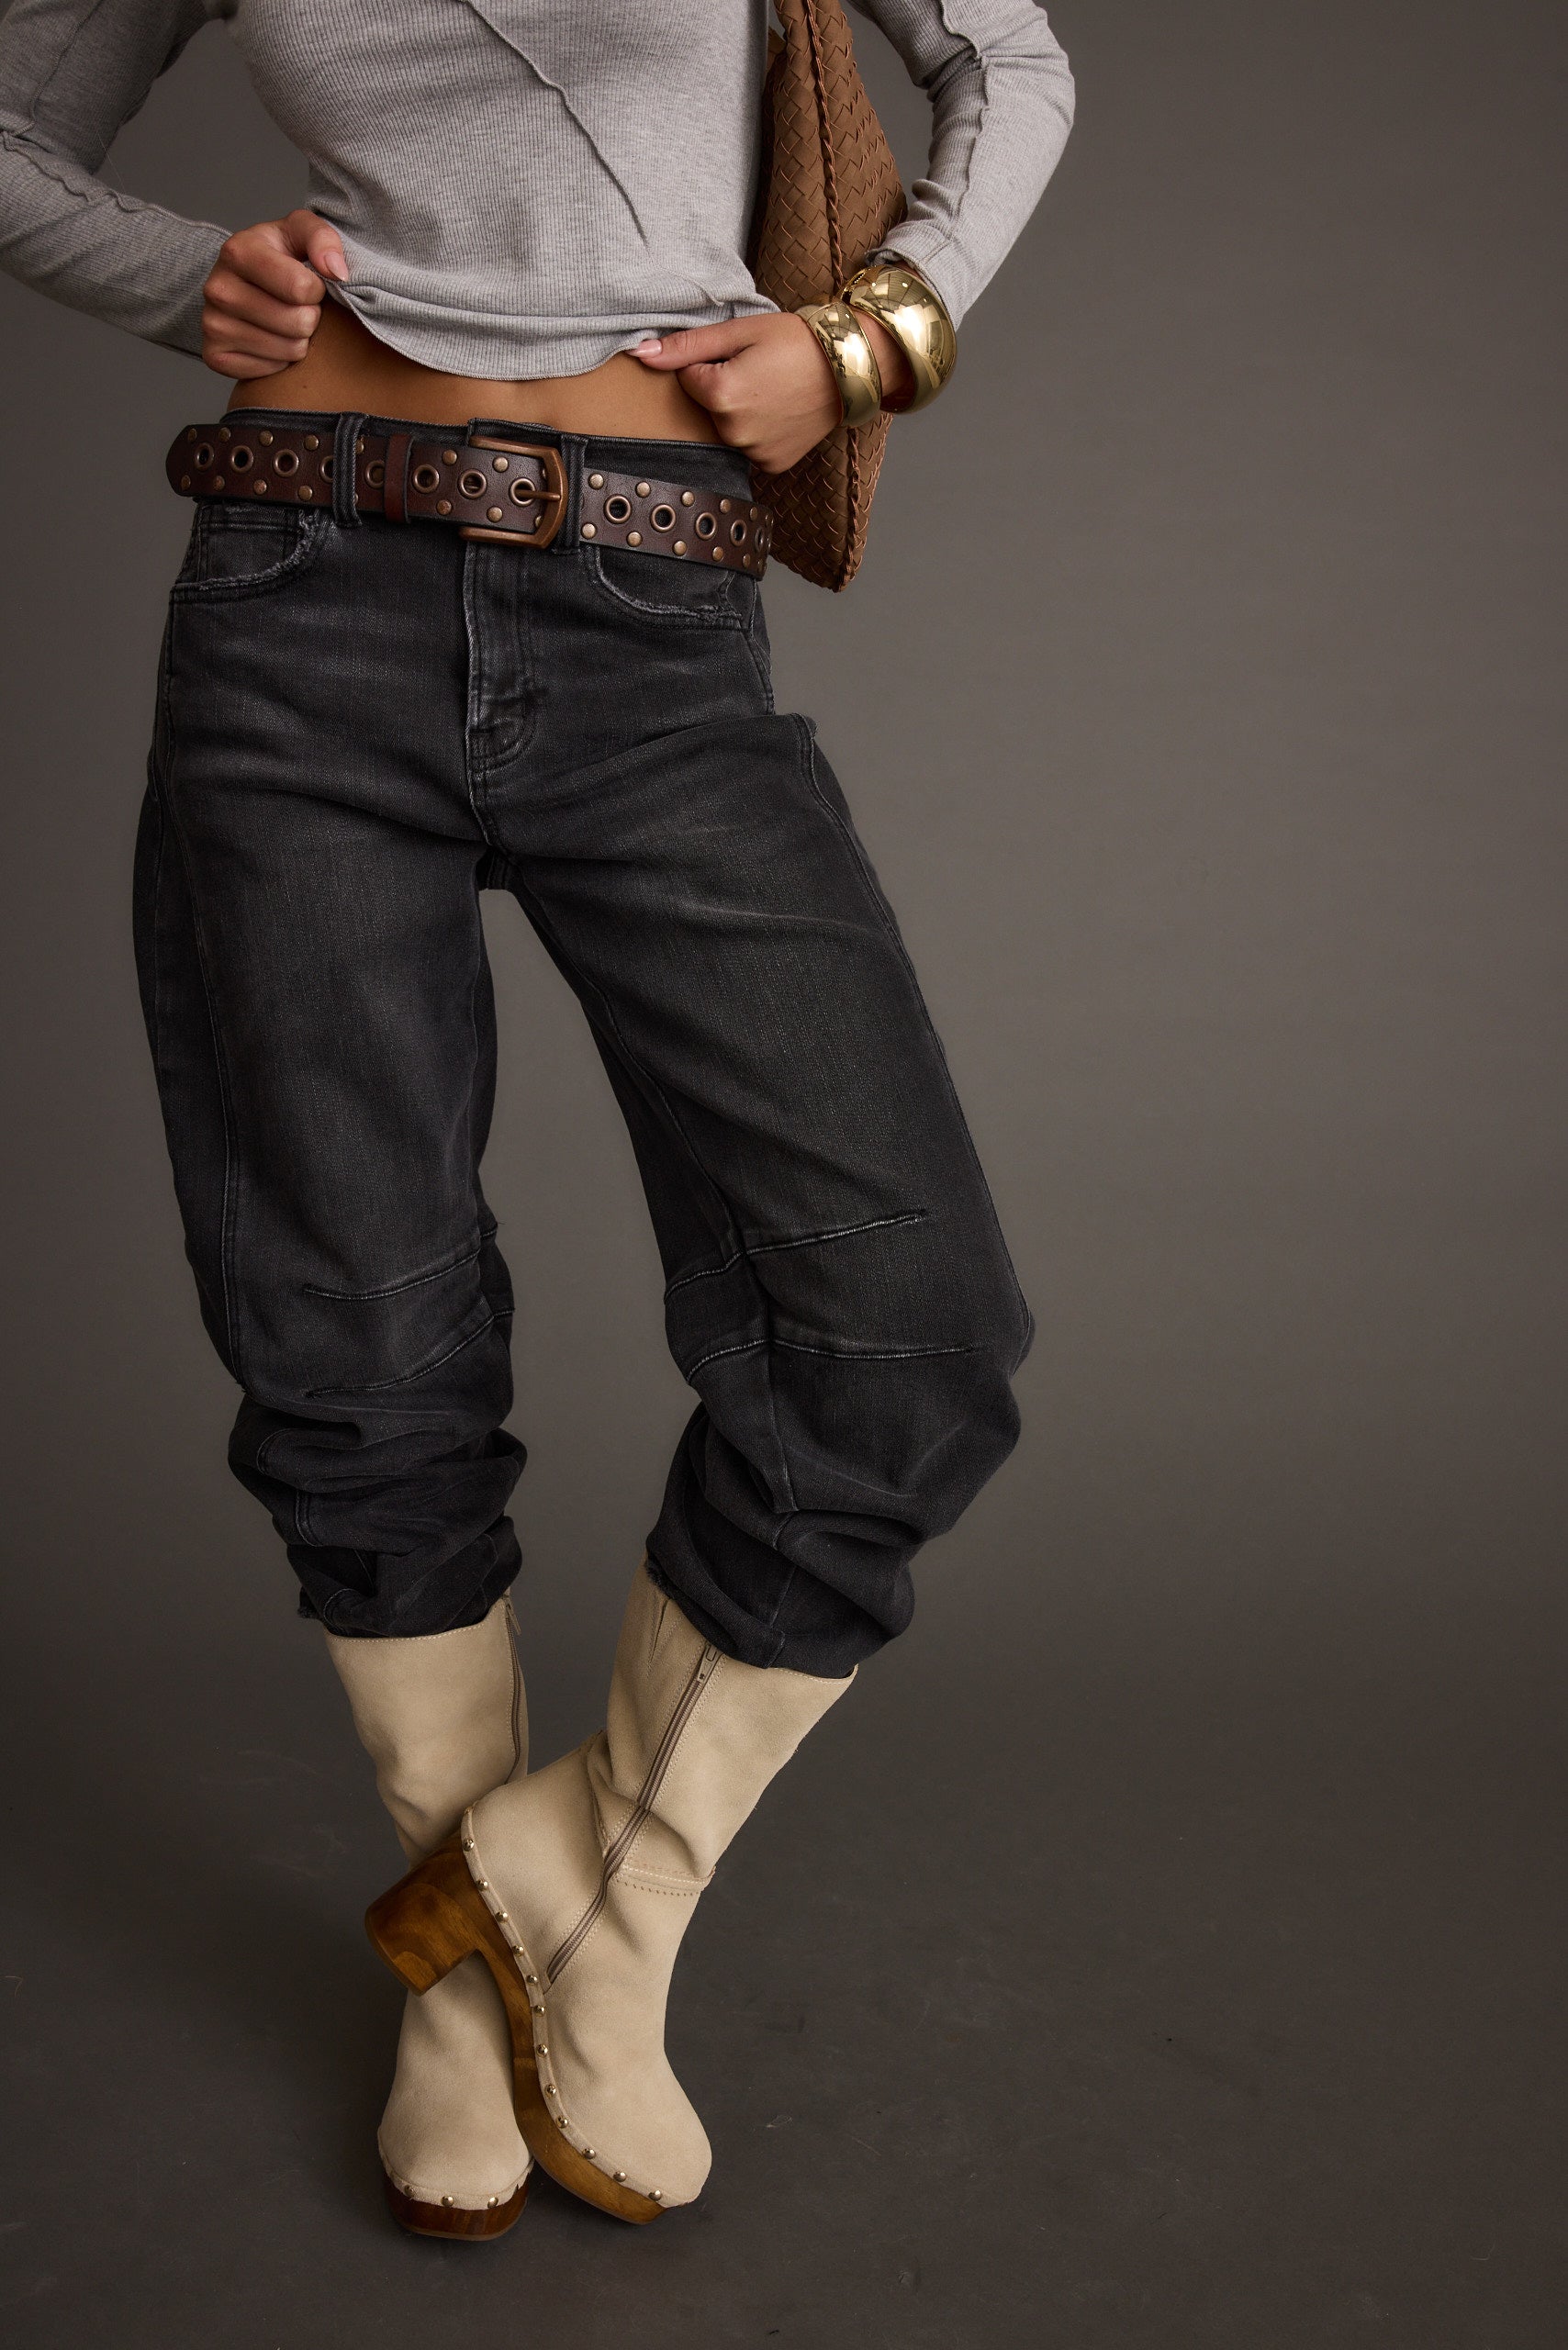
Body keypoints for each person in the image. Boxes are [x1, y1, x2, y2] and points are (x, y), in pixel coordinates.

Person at [0, 0, 1074, 2240]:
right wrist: (179, 274)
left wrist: (872, 338)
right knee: (351, 1318)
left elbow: (1008, 51)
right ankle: (477, 1979)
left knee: (906, 1323)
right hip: (295, 595)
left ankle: (581, 1887)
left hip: (650, 617)